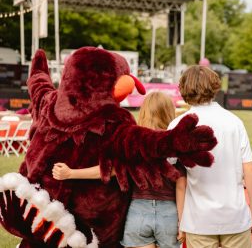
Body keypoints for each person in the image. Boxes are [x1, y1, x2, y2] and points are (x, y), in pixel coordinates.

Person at [52, 91, 187, 248]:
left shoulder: (134, 143)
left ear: (143, 112)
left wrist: (71, 173)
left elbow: (109, 170)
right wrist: (182, 222)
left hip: (139, 213)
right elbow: (181, 186)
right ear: (169, 112)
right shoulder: (176, 145)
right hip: (168, 215)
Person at [169, 65, 252, 248]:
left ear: (184, 89)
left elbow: (170, 170)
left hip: (199, 219)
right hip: (234, 215)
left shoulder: (177, 125)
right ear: (214, 87)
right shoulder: (234, 122)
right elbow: (249, 168)